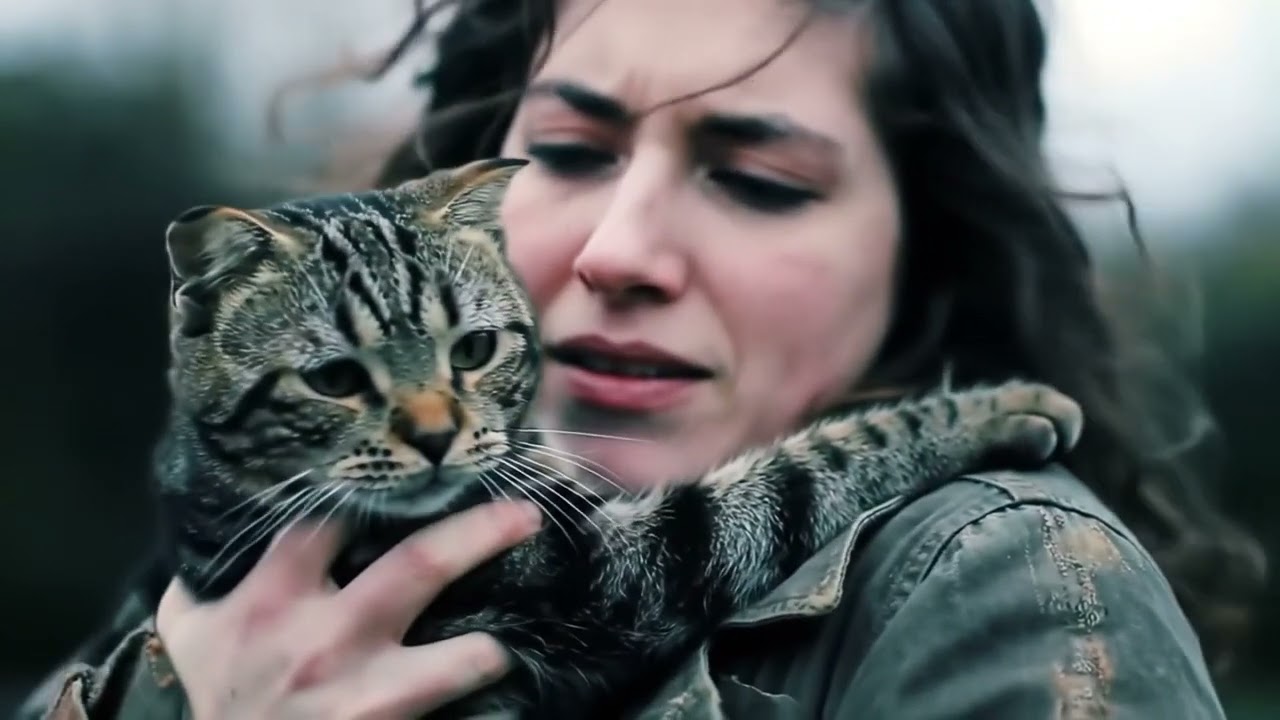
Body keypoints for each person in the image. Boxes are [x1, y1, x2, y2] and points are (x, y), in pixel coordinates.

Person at [20, 0, 1265, 717]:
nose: (619, 250)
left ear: (926, 244)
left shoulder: (1004, 574)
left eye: (757, 179)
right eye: (565, 153)